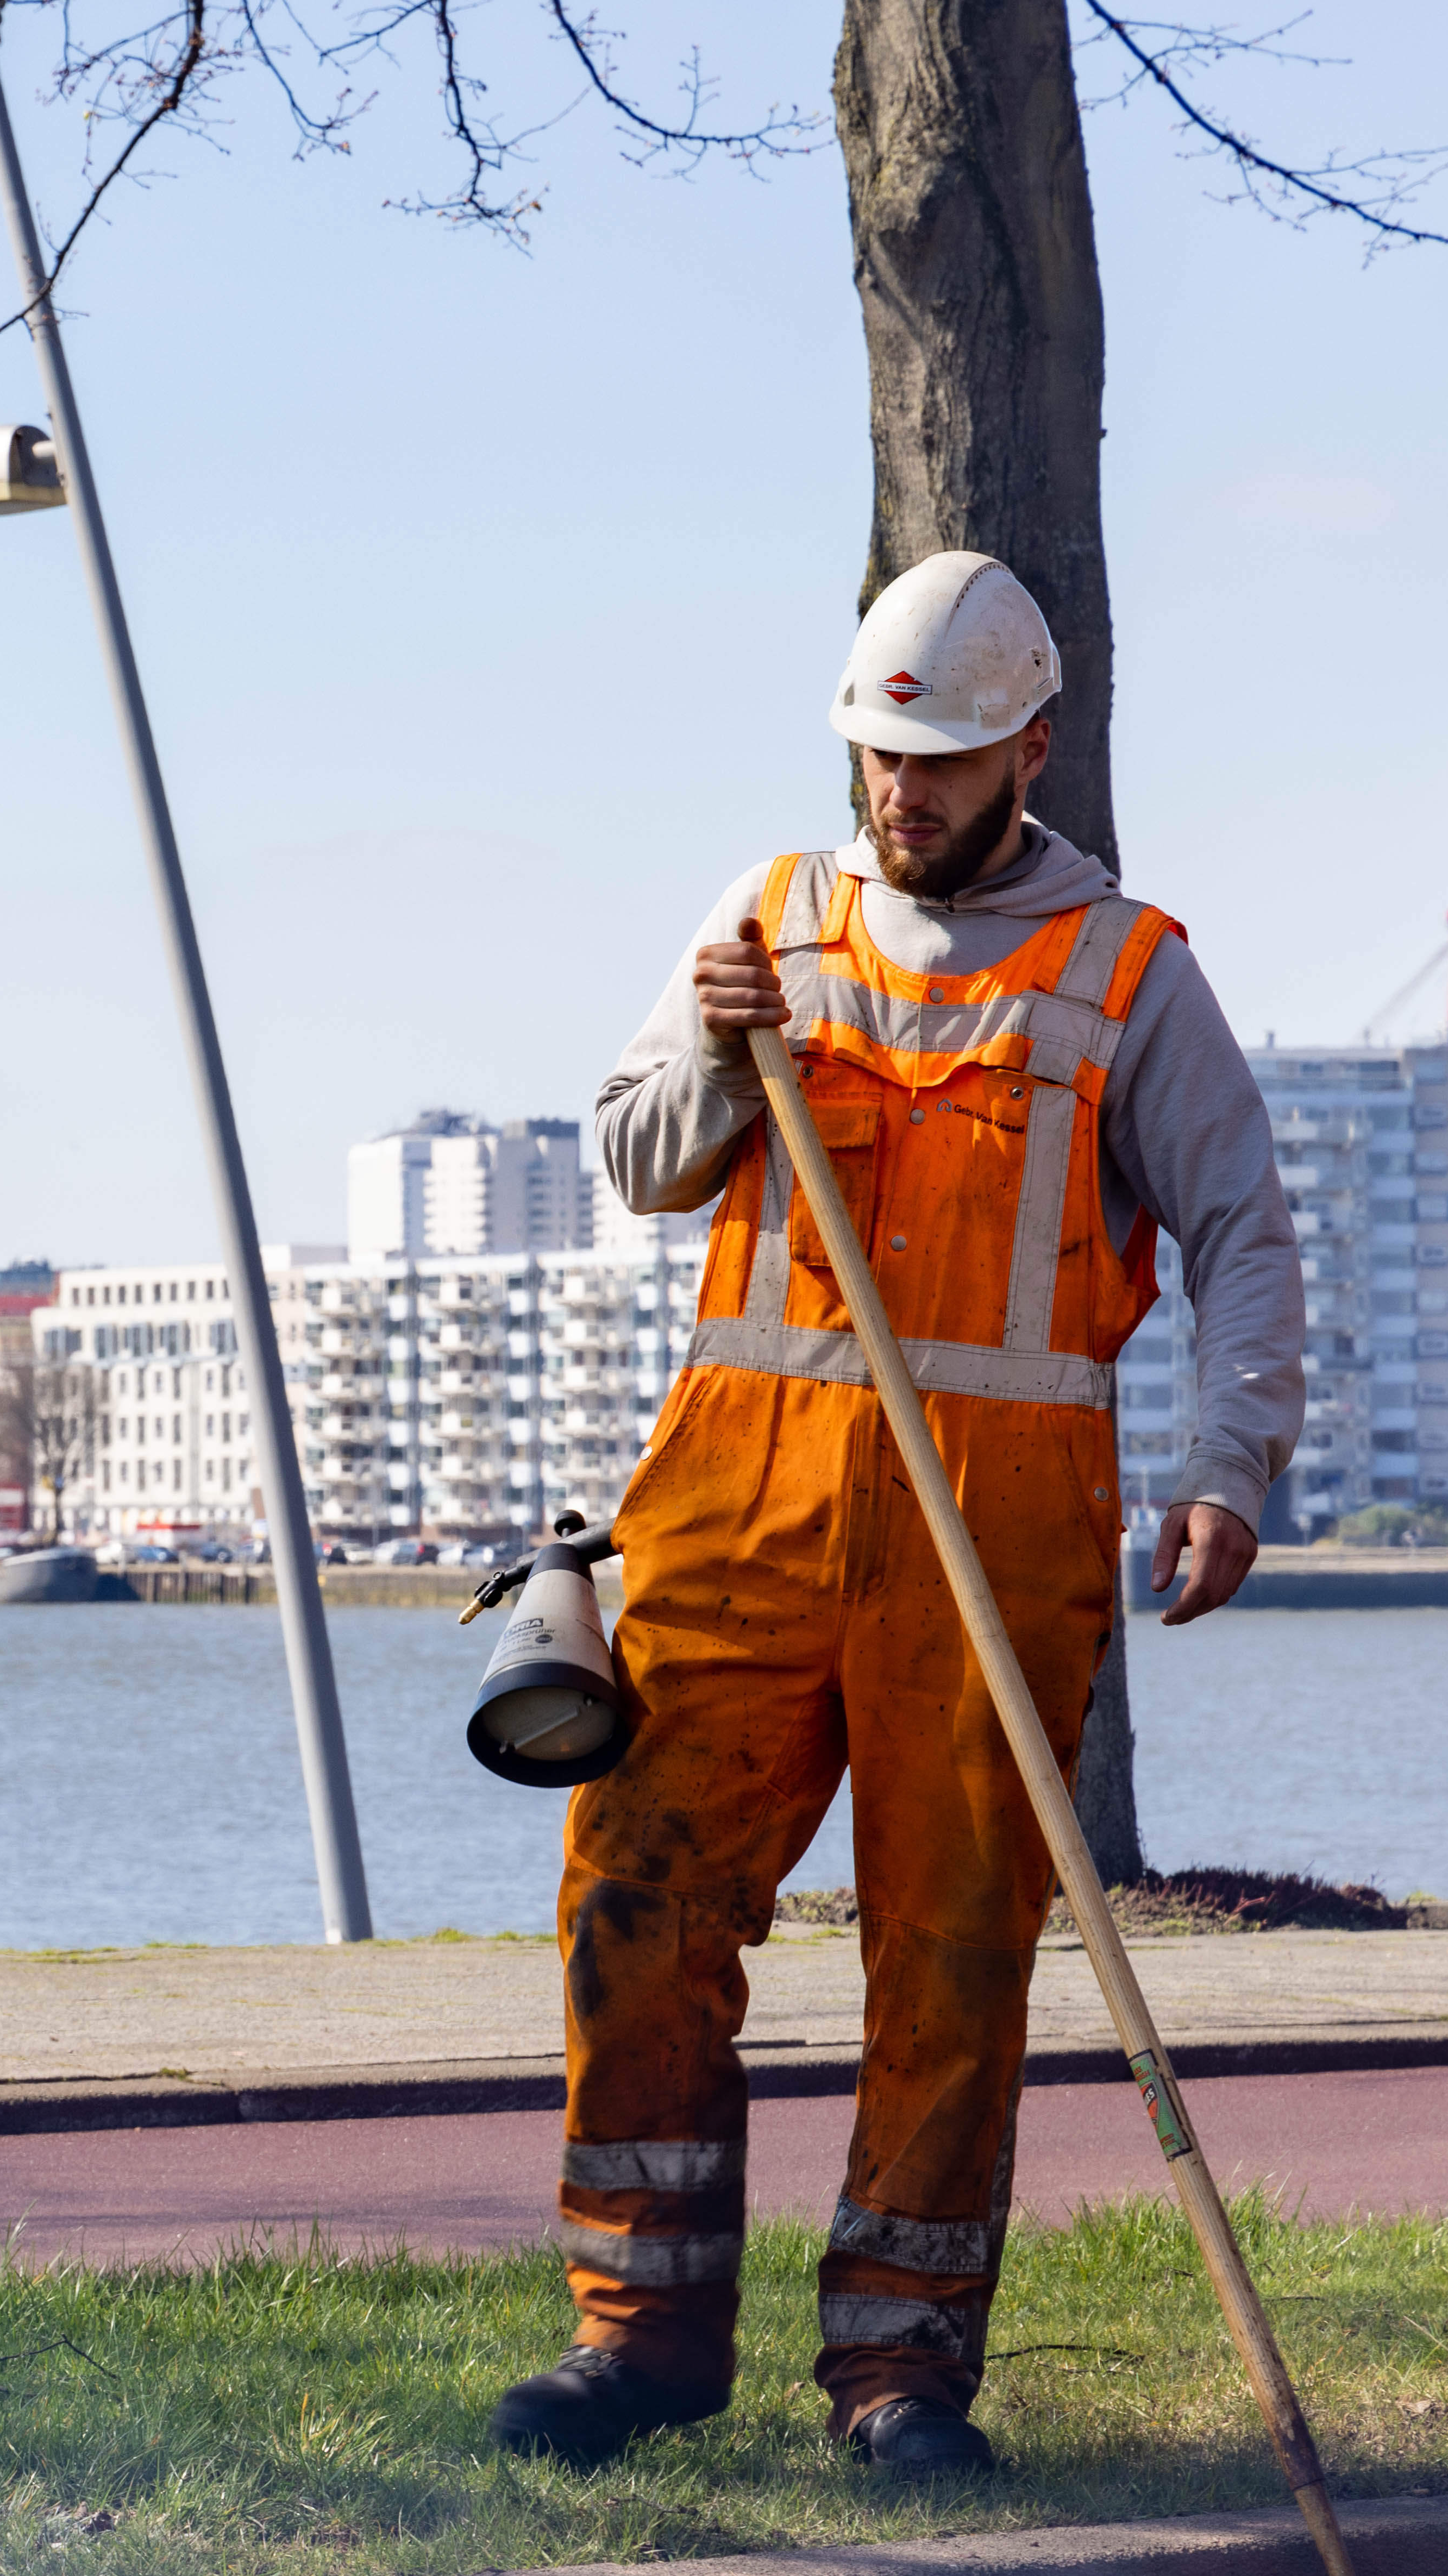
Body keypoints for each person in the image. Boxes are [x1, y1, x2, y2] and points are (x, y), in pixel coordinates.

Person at [488, 552, 1301, 2477]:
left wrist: (1228, 1467)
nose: (900, 798)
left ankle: (902, 2374)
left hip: (993, 1542)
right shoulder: (768, 920)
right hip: (733, 1520)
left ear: (1030, 744)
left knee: (952, 1950)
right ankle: (642, 2339)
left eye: (937, 762)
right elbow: (636, 1162)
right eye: (876, 757)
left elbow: (1245, 1235)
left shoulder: (1127, 973)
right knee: (638, 1893)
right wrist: (705, 1036)